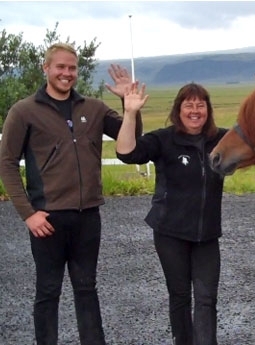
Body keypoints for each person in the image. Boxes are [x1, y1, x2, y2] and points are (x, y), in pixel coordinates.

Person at [0, 42, 142, 344]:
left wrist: (130, 108)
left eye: (72, 68)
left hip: (88, 216)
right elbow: (7, 164)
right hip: (47, 219)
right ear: (46, 68)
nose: (67, 73)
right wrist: (28, 214)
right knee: (48, 291)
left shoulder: (94, 108)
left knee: (86, 288)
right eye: (60, 67)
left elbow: (131, 141)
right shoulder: (24, 111)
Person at [116, 82, 228, 345]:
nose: (195, 110)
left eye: (200, 105)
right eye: (188, 105)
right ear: (178, 110)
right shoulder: (164, 140)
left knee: (206, 298)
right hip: (170, 233)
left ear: (208, 110)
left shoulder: (221, 140)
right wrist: (130, 113)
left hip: (207, 235)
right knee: (179, 296)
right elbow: (126, 152)